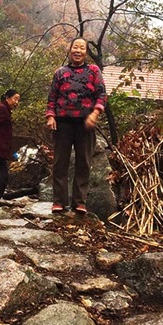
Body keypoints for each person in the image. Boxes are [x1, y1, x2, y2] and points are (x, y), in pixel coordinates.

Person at [45, 38, 107, 214]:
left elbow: (102, 95)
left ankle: (79, 202)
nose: (78, 50)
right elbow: (52, 97)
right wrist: (50, 116)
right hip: (63, 123)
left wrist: (95, 114)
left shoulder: (93, 71)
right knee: (59, 163)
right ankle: (59, 202)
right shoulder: (60, 72)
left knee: (84, 163)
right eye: (75, 47)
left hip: (85, 124)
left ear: (86, 52)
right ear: (70, 49)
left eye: (82, 48)